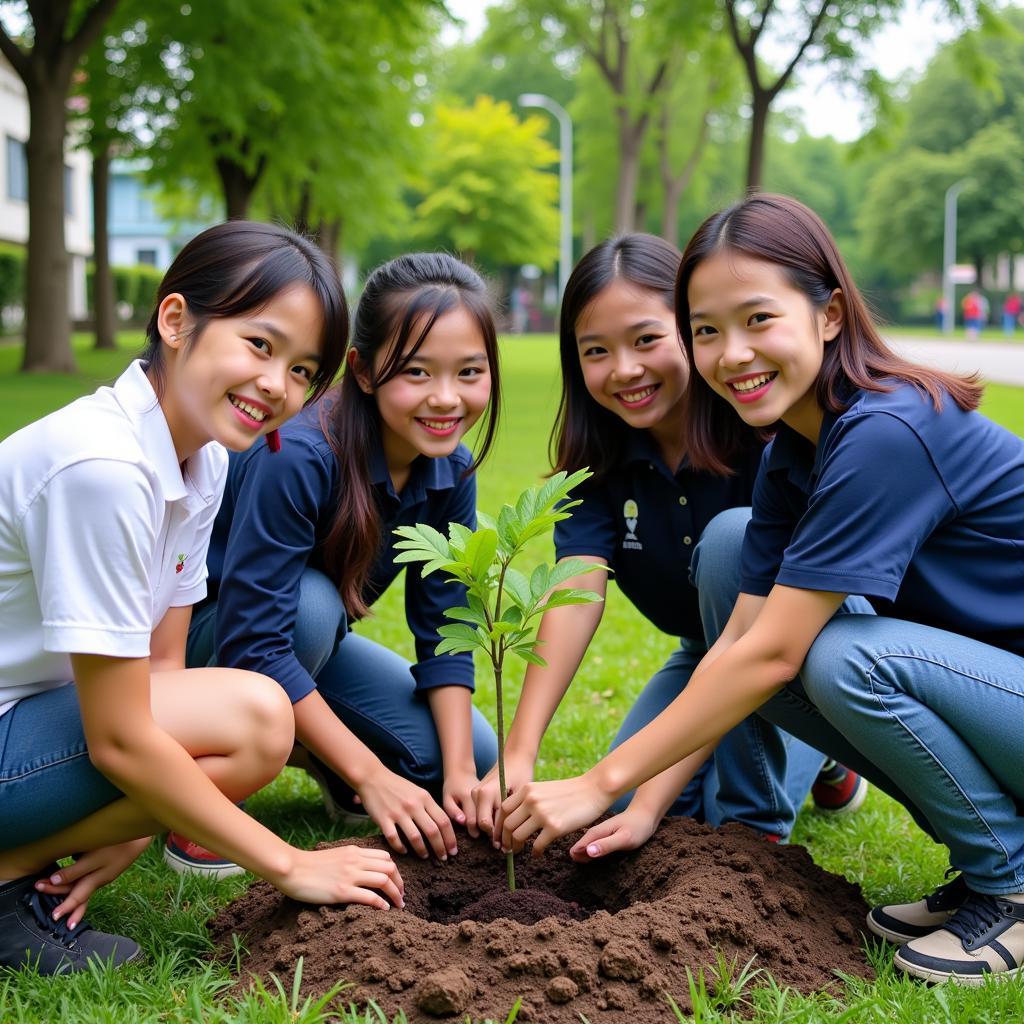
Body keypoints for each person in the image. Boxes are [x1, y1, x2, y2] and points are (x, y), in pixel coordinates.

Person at [498, 195, 1024, 986]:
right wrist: (641, 804)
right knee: (782, 653)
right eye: (707, 329)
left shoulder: (887, 430)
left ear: (830, 314)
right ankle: (986, 866)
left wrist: (601, 780)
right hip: (996, 699)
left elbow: (775, 652)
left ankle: (1010, 881)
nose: (730, 353)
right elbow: (735, 647)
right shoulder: (793, 454)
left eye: (757, 320)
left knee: (839, 658)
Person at [0, 222, 404, 976]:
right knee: (254, 714)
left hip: (29, 730)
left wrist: (132, 826)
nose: (278, 385)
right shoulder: (102, 468)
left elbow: (164, 670)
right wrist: (287, 863)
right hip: (10, 735)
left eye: (303, 368)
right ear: (176, 319)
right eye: (260, 344)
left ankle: (13, 867)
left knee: (253, 721)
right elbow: (121, 736)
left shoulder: (203, 458)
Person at [471, 233, 863, 851]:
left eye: (646, 339)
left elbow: (753, 646)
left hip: (795, 642)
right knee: (623, 809)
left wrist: (650, 798)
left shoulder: (765, 436)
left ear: (692, 330)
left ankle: (820, 757)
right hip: (704, 651)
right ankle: (822, 752)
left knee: (722, 824)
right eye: (595, 350)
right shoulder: (599, 464)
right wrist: (518, 754)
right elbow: (575, 595)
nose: (624, 369)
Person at [167, 253, 500, 876]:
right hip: (204, 645)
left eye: (470, 372)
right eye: (417, 372)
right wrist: (372, 776)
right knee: (311, 607)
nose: (446, 398)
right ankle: (203, 798)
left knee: (473, 752)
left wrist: (457, 773)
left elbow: (444, 628)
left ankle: (325, 757)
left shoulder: (448, 467)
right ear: (363, 371)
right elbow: (256, 641)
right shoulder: (299, 453)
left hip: (294, 647)